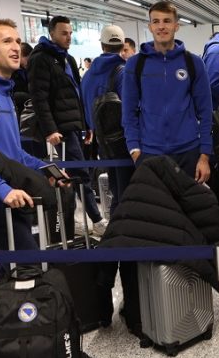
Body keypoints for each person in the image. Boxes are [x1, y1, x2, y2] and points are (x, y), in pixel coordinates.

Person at [0, 18, 100, 358]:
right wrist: (2, 190)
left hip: (11, 202)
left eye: (17, 40)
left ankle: (27, 353)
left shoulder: (1, 91)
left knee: (20, 280)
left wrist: (48, 170)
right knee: (32, 276)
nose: (15, 46)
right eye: (5, 41)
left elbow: (15, 154)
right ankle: (48, 353)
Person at [28, 15, 106, 237]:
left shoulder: (68, 59)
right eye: (64, 33)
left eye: (71, 33)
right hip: (59, 129)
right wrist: (50, 129)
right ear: (52, 33)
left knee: (76, 174)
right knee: (79, 173)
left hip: (73, 126)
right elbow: (39, 97)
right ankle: (96, 218)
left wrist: (86, 124)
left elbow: (77, 94)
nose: (68, 37)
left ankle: (78, 219)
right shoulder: (40, 59)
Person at [121, 1, 213, 182]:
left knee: (189, 209)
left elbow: (206, 112)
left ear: (176, 26)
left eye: (167, 21)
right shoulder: (135, 64)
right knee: (156, 210)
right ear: (149, 26)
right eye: (156, 21)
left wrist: (204, 156)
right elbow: (128, 112)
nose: (161, 26)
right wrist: (134, 150)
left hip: (188, 152)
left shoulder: (193, 63)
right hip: (149, 153)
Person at [81, 24, 133, 214]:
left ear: (102, 45)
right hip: (125, 142)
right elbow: (131, 109)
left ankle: (117, 232)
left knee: (117, 190)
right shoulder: (124, 72)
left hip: (103, 142)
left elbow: (85, 110)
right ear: (122, 45)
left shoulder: (87, 76)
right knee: (129, 193)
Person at [10, 42, 33, 120]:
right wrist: (28, 97)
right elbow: (11, 94)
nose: (28, 61)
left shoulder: (29, 70)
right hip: (18, 112)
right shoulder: (11, 72)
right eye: (25, 57)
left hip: (30, 111)